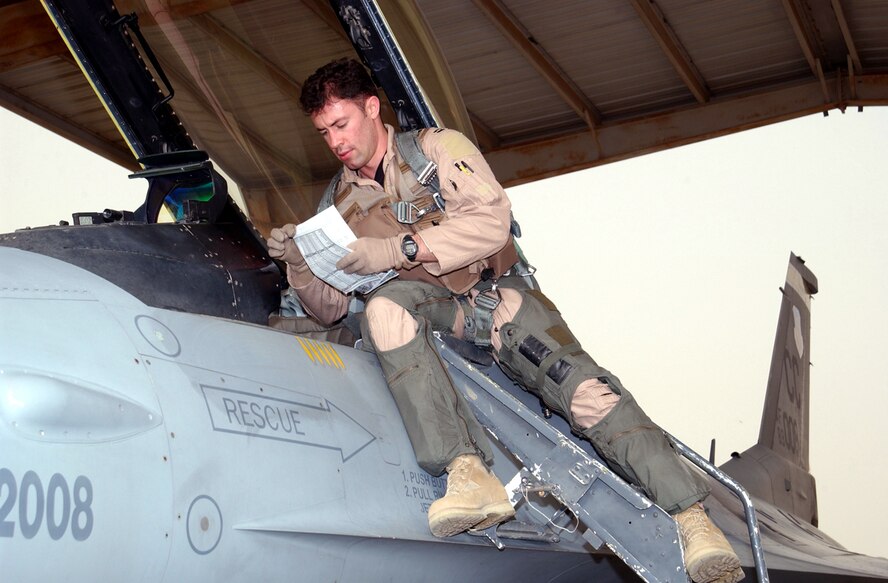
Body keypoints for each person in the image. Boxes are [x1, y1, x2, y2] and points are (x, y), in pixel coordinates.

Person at [266, 58, 743, 583]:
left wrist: (400, 247)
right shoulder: (337, 204)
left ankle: (695, 520)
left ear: (372, 108)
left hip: (495, 299)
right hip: (429, 310)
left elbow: (492, 222)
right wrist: (299, 266)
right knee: (383, 312)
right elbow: (330, 307)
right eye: (323, 131)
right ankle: (466, 473)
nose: (334, 141)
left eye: (342, 124)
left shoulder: (435, 151)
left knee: (587, 396)